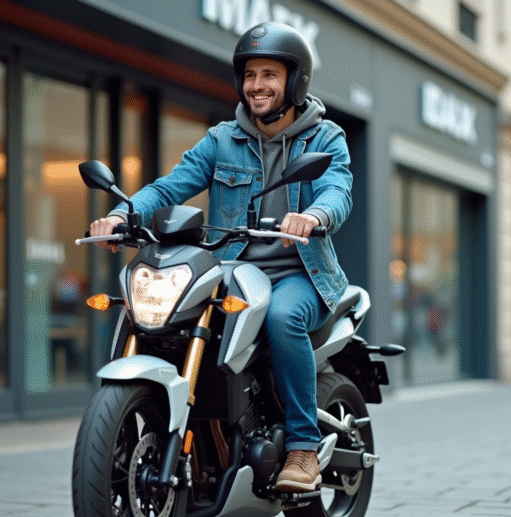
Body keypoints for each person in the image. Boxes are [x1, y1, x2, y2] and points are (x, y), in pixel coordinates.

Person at [89, 22, 352, 492]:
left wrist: (312, 216)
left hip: (300, 274)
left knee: (283, 318)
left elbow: (338, 191)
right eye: (250, 75)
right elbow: (170, 186)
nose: (257, 86)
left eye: (269, 74)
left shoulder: (325, 138)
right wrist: (120, 215)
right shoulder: (222, 139)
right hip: (232, 270)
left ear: (294, 81)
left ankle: (303, 449)